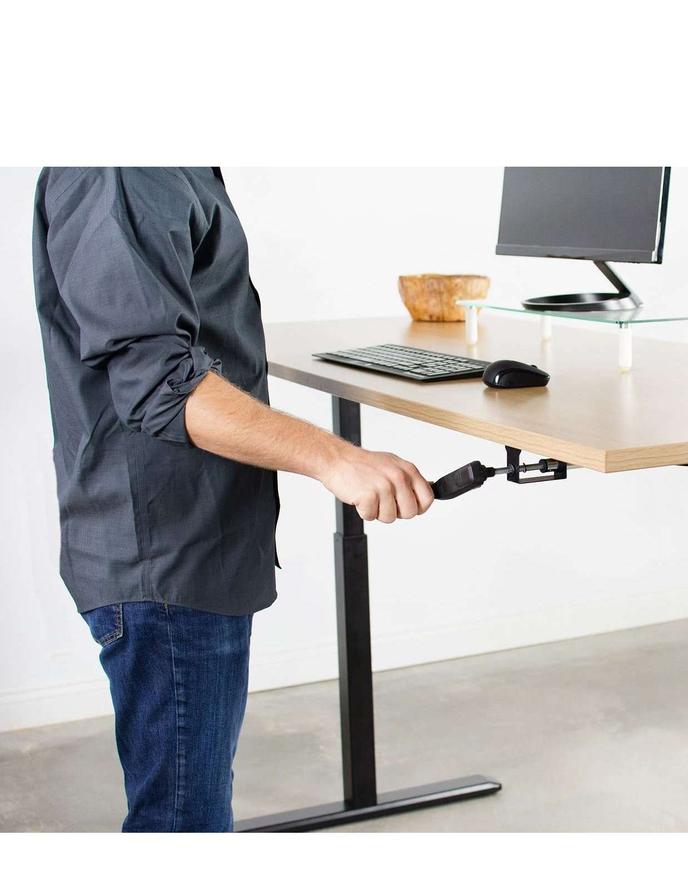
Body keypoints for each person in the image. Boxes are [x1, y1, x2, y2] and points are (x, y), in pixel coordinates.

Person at [32, 167, 434, 832]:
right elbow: (159, 383)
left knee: (188, 806)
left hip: (183, 544)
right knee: (182, 821)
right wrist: (336, 458)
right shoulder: (126, 166)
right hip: (165, 557)